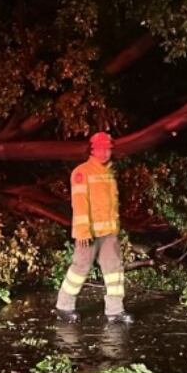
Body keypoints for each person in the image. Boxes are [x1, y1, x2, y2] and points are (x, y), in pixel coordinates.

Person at [55, 132, 131, 324]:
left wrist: (114, 229)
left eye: (108, 149)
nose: (105, 153)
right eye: (101, 148)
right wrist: (82, 231)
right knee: (80, 268)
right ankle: (64, 306)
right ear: (92, 149)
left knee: (114, 270)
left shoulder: (108, 173)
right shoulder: (82, 172)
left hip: (109, 233)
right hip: (88, 233)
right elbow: (80, 203)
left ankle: (115, 311)